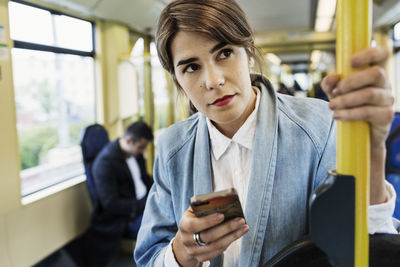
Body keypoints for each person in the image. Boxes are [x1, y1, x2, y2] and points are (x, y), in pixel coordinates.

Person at [134, 0, 398, 266]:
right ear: (177, 80)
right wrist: (181, 252)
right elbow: (149, 256)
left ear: (249, 53)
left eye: (224, 53)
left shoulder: (320, 128)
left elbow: (362, 241)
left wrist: (374, 152)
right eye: (191, 67)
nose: (213, 80)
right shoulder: (172, 148)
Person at [86, 121, 153, 266]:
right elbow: (111, 204)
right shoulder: (105, 163)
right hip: (128, 214)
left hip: (145, 202)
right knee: (168, 225)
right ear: (128, 140)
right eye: (141, 147)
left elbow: (145, 178)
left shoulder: (136, 153)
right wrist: (147, 204)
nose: (143, 152)